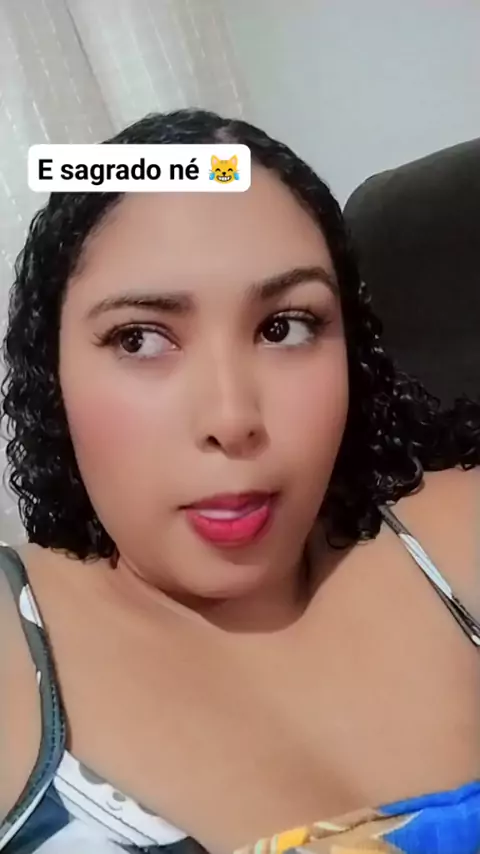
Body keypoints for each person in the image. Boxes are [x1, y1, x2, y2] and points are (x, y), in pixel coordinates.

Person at [0, 109, 479, 854]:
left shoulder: (459, 532)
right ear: (51, 371)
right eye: (140, 338)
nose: (232, 419)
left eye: (284, 327)